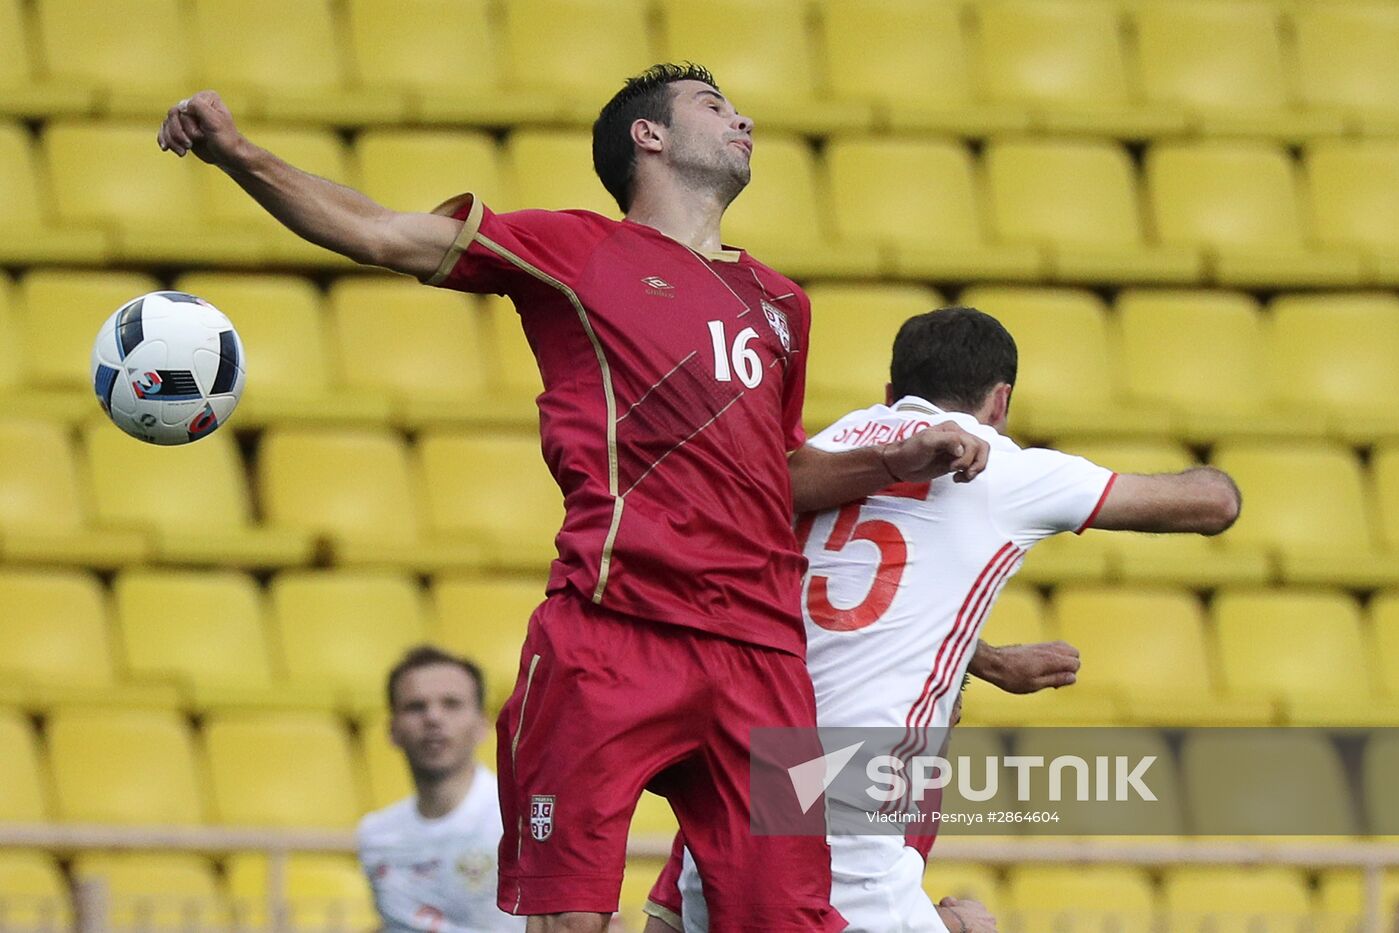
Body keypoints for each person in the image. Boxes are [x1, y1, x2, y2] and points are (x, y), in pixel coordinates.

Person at [156, 64, 991, 932]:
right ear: (649, 137)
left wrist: (898, 459)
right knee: (569, 919)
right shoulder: (574, 250)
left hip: (760, 655)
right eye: (714, 106)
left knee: (783, 920)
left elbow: (777, 477)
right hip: (613, 632)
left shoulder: (782, 304)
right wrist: (238, 154)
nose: (743, 119)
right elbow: (380, 234)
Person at [643, 306, 1242, 933]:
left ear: (890, 395)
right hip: (843, 783)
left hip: (743, 762)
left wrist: (982, 659)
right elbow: (1212, 504)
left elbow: (844, 588)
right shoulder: (1007, 472)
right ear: (1000, 402)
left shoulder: (825, 450)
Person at [358, 646, 525, 932]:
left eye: (451, 704)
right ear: (392, 729)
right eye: (415, 706)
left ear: (482, 725)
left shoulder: (521, 822)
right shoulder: (375, 835)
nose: (433, 718)